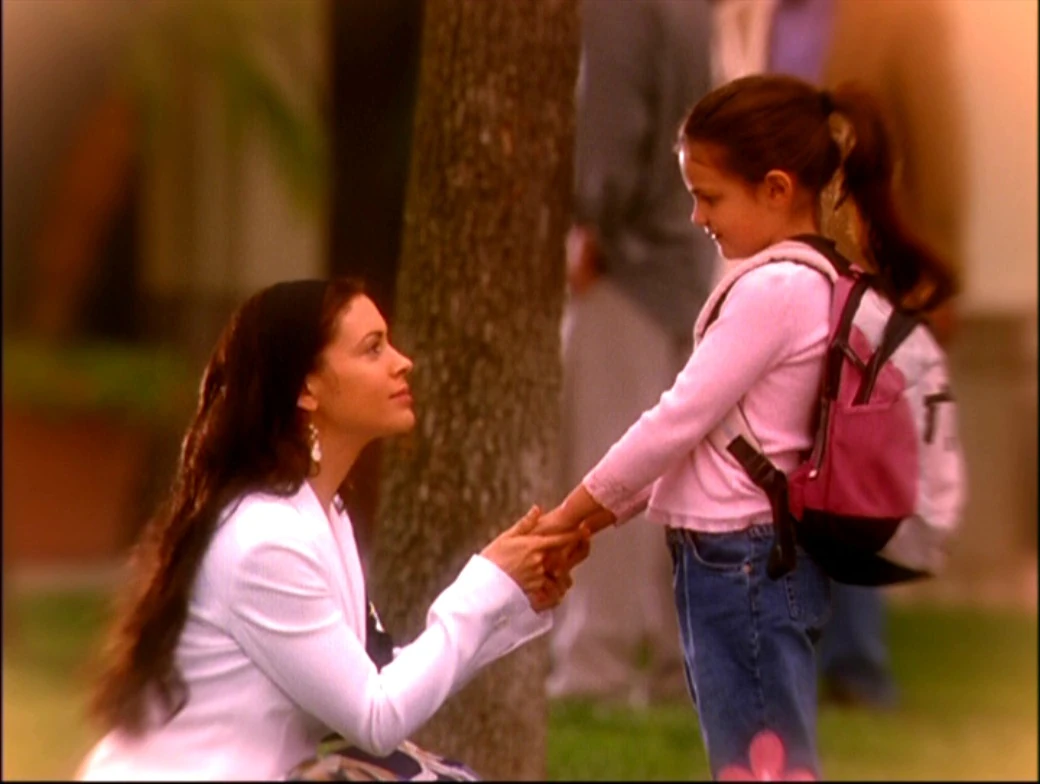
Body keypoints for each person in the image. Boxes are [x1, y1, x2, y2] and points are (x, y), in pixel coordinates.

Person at [538, 73, 957, 778]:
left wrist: (567, 516)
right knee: (755, 761)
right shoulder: (800, 280)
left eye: (709, 196)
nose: (697, 216)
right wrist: (594, 520)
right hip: (739, 562)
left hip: (742, 566)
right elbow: (706, 441)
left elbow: (676, 421)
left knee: (763, 767)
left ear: (776, 188)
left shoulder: (774, 290)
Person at [77, 278, 586, 781]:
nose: (402, 362)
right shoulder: (264, 541)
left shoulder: (322, 512)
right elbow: (376, 717)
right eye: (372, 349)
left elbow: (376, 680)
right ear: (306, 389)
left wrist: (512, 594)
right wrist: (488, 583)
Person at [708, 0, 967, 710]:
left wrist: (937, 270)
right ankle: (768, 646)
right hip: (760, 270)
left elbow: (939, 146)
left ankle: (857, 664)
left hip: (856, 272)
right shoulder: (746, 14)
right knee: (768, 457)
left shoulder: (901, 16)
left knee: (850, 457)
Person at [548, 0, 716, 707]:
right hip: (691, 260)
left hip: (630, 264)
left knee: (610, 476)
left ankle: (598, 666)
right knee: (689, 486)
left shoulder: (621, 8)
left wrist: (590, 220)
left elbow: (611, 120)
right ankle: (687, 668)